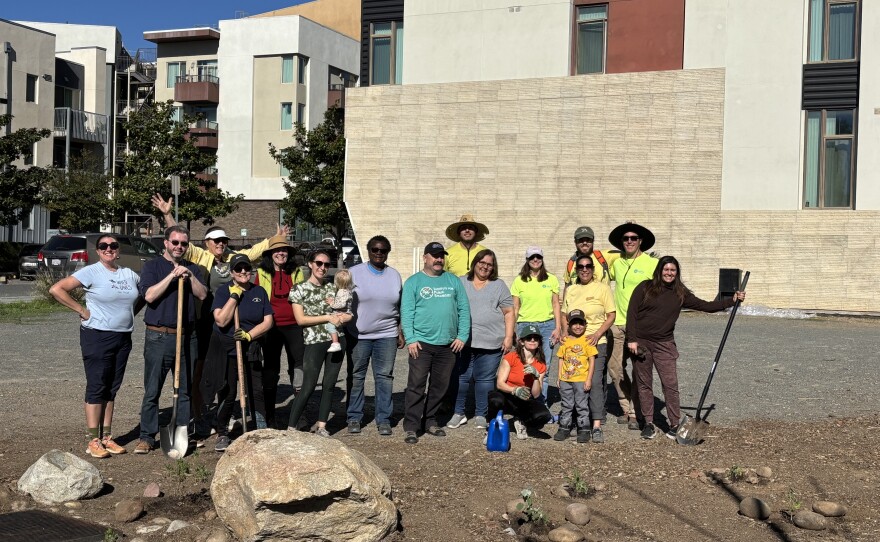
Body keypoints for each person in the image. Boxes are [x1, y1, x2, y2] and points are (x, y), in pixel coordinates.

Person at [626, 256, 746, 440]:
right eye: (666, 270)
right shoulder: (645, 287)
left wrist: (731, 300)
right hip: (641, 344)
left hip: (664, 344)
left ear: (677, 273)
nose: (669, 273)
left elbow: (706, 306)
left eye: (673, 270)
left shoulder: (680, 293)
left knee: (670, 385)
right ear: (660, 270)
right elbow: (632, 312)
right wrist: (631, 339)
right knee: (644, 384)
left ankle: (674, 424)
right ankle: (648, 423)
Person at [50, 235, 142, 458]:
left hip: (123, 337)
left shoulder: (129, 274)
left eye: (113, 246)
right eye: (104, 246)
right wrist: (81, 310)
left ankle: (107, 437)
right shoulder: (91, 271)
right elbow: (57, 289)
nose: (109, 249)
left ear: (118, 250)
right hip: (97, 336)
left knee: (112, 387)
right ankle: (93, 440)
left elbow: (143, 295)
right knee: (97, 385)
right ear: (98, 251)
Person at [136, 226, 207, 454]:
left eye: (183, 244)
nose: (179, 247)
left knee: (184, 390)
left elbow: (203, 294)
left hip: (187, 337)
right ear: (166, 243)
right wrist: (171, 276)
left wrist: (189, 276)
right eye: (175, 242)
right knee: (152, 390)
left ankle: (181, 432)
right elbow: (149, 296)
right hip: (159, 336)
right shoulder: (152, 267)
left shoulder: (193, 268)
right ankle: (147, 437)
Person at [400, 242, 471, 444]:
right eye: (434, 255)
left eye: (441, 256)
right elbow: (407, 312)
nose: (439, 259)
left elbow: (464, 310)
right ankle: (412, 426)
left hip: (448, 345)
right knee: (416, 385)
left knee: (440, 386)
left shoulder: (452, 281)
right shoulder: (414, 282)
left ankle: (430, 421)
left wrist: (462, 336)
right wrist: (411, 339)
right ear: (425, 258)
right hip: (421, 344)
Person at [205, 254, 274, 451]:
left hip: (249, 346)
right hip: (227, 349)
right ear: (232, 272)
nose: (243, 272)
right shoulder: (223, 291)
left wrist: (249, 335)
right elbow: (221, 320)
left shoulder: (259, 291)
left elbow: (268, 321)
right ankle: (222, 432)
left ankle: (260, 429)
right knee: (228, 392)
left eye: (246, 268)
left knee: (256, 390)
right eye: (238, 269)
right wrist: (234, 296)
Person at [447, 249, 514, 431]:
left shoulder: (499, 285)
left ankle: (480, 414)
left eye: (489, 264)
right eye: (482, 262)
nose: (485, 266)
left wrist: (508, 337)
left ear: (493, 267)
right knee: (461, 379)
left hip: (491, 341)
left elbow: (509, 312)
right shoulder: (461, 282)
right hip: (464, 342)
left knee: (484, 380)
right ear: (475, 263)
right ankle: (458, 412)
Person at [286, 249, 351, 437]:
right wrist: (328, 317)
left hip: (337, 340)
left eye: (327, 264)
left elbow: (347, 311)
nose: (323, 268)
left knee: (329, 384)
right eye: (319, 263)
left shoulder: (333, 288)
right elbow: (300, 320)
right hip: (314, 341)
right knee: (308, 385)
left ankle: (322, 426)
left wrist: (343, 318)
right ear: (310, 264)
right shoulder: (299, 289)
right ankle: (291, 427)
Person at [345, 235, 403, 436]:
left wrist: (400, 330)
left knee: (384, 377)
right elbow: (340, 301)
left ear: (388, 252)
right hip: (359, 335)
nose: (379, 253)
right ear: (368, 251)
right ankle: (354, 416)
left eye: (383, 250)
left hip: (387, 334)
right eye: (375, 250)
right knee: (357, 376)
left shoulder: (394, 275)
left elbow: (400, 305)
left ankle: (384, 418)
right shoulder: (353, 273)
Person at [607, 221, 658, 431]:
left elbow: (664, 290)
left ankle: (637, 412)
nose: (629, 242)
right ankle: (625, 406)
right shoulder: (617, 262)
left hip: (640, 324)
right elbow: (596, 265)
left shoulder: (652, 264)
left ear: (641, 242)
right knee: (615, 367)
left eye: (633, 238)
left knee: (639, 368)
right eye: (626, 239)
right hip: (618, 322)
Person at [560, 254, 615, 442]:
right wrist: (564, 333)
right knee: (574, 380)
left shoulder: (603, 288)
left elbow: (611, 315)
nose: (584, 269)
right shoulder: (572, 289)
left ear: (593, 269)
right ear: (576, 270)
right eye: (581, 267)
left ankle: (596, 424)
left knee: (595, 382)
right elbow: (563, 313)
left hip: (594, 342)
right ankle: (578, 420)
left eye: (588, 266)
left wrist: (598, 334)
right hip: (574, 343)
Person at [254, 235, 305, 428]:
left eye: (284, 250)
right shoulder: (262, 272)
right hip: (271, 326)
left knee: (298, 367)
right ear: (270, 254)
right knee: (271, 369)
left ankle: (299, 415)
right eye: (277, 250)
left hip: (294, 324)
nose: (281, 253)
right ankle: (269, 415)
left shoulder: (297, 271)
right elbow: (258, 296)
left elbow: (303, 295)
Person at [510, 246, 561, 405]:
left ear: (542, 259)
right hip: (525, 325)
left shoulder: (551, 279)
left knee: (543, 366)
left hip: (546, 326)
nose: (535, 260)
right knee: (524, 365)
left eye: (538, 257)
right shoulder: (519, 280)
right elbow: (515, 307)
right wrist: (513, 329)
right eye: (532, 257)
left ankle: (541, 403)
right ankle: (524, 400)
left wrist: (558, 327)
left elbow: (555, 304)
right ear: (527, 260)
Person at [486, 325, 552, 441]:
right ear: (521, 342)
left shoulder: (540, 364)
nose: (532, 340)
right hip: (507, 395)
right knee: (495, 400)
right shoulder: (511, 357)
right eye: (529, 338)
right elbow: (499, 384)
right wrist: (515, 390)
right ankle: (491, 427)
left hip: (525, 398)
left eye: (535, 338)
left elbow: (536, 394)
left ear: (539, 342)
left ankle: (521, 420)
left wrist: (536, 377)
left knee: (544, 416)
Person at [554, 310, 598, 444]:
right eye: (574, 324)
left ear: (585, 324)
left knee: (581, 404)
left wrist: (589, 379)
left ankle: (584, 428)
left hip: (581, 379)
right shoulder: (565, 341)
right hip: (566, 379)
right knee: (566, 404)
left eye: (580, 323)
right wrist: (559, 377)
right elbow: (561, 359)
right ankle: (564, 427)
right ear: (568, 325)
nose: (577, 326)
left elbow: (592, 361)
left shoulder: (587, 341)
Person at [561, 226, 618, 300]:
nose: (585, 243)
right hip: (578, 307)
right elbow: (567, 286)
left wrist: (630, 228)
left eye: (588, 240)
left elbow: (629, 251)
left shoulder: (604, 256)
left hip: (603, 307)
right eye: (580, 240)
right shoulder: (571, 263)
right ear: (575, 242)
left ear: (593, 240)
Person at [325, 269, 353, 353]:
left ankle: (335, 343)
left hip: (342, 313)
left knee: (330, 326)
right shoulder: (348, 291)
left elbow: (341, 304)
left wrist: (331, 303)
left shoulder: (341, 291)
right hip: (345, 313)